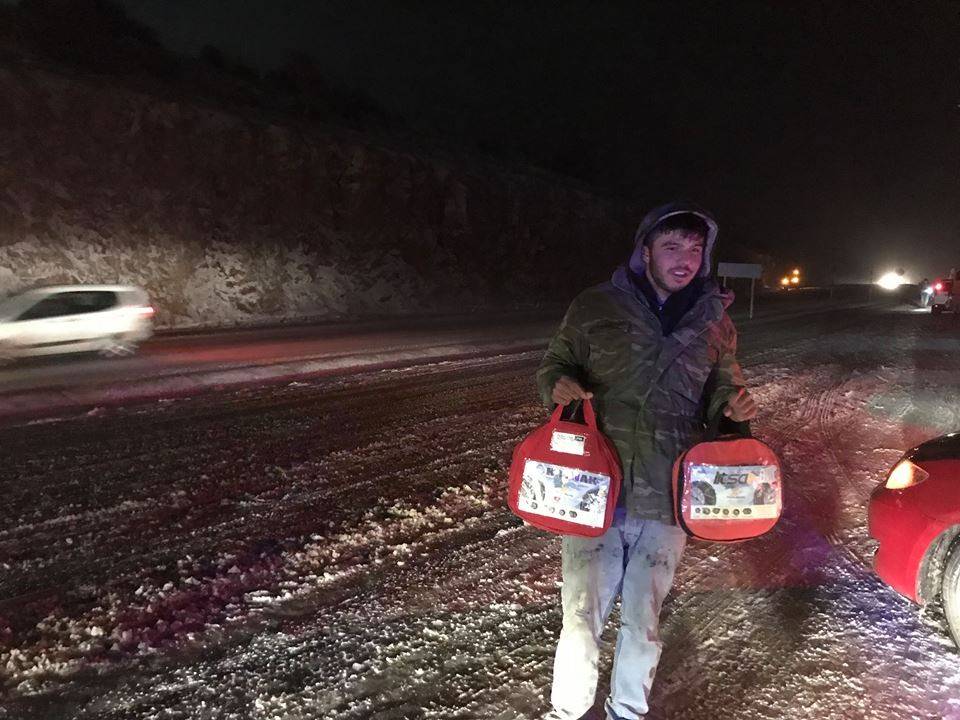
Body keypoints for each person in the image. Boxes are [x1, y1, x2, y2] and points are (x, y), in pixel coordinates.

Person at [536, 202, 757, 720]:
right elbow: (555, 362)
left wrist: (734, 406)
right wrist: (555, 384)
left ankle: (627, 713)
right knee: (581, 618)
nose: (685, 259)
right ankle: (567, 713)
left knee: (644, 620)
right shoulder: (595, 306)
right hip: (595, 489)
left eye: (695, 249)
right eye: (672, 246)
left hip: (667, 493)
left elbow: (723, 388)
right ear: (645, 251)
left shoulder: (715, 322)